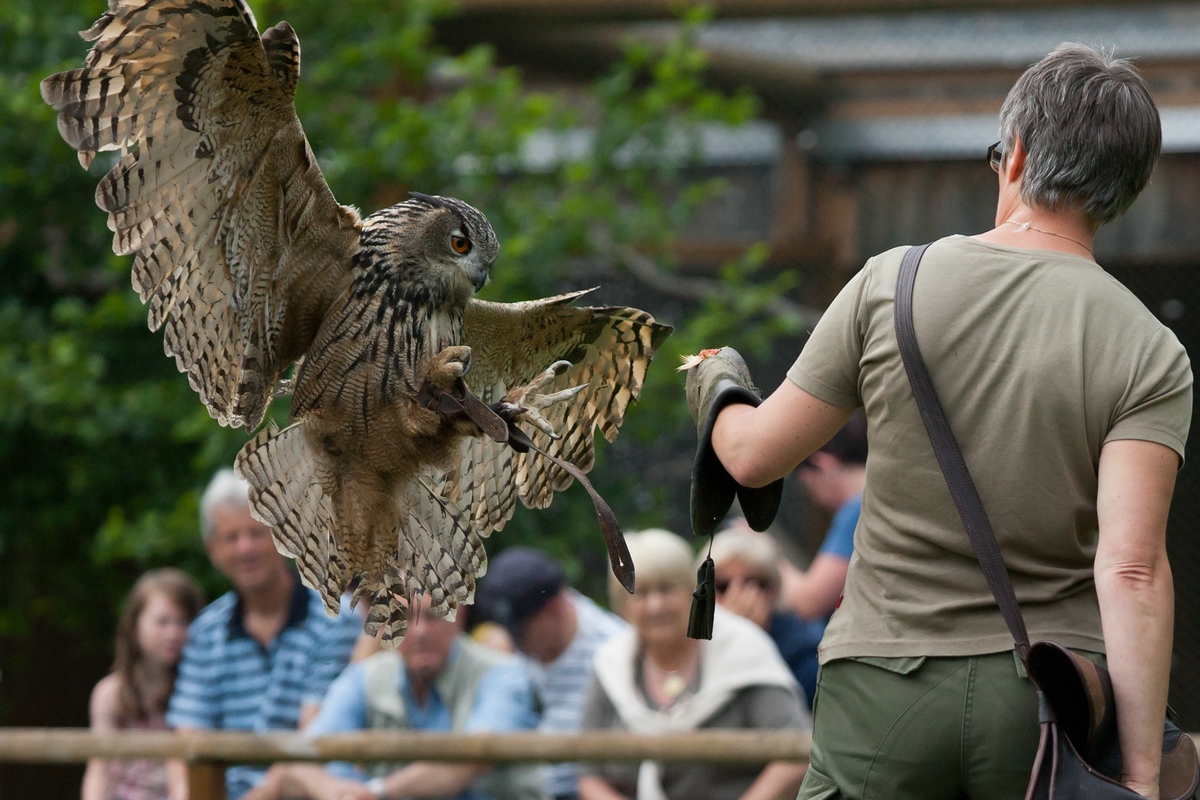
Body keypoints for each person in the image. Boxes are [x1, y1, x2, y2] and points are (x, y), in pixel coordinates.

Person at [685, 44, 1190, 800]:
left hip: (882, 693)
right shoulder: (1150, 348)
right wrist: (1142, 773)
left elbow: (754, 458)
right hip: (1044, 705)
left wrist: (716, 383)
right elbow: (1131, 570)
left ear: (1015, 154)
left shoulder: (893, 281)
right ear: (1127, 190)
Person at [166, 469, 362, 800]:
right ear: (213, 549)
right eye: (231, 537)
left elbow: (312, 741)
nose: (246, 548)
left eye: (257, 533)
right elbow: (187, 740)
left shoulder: (335, 617)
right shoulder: (205, 632)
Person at [577, 529, 809, 800]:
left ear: (693, 590)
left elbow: (796, 754)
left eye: (666, 589)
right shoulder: (611, 664)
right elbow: (588, 773)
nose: (655, 606)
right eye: (640, 593)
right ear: (622, 603)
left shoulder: (742, 649)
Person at [271, 595, 546, 800]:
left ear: (459, 616)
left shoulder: (502, 674)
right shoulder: (365, 677)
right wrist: (333, 790)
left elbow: (471, 758)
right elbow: (302, 758)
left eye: (432, 616)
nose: (419, 631)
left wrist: (375, 792)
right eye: (404, 617)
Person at [473, 547, 627, 800]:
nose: (515, 639)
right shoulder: (512, 647)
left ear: (555, 609)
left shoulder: (613, 652)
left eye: (521, 629)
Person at [82, 568, 205, 800]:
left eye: (183, 622)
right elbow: (99, 768)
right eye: (163, 622)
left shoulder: (197, 692)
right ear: (133, 626)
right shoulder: (110, 693)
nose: (174, 632)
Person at [706, 525, 824, 707]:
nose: (739, 596)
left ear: (773, 590)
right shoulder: (691, 644)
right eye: (723, 586)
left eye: (755, 584)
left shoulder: (801, 650)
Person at [780, 410, 865, 621]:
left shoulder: (857, 510)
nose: (815, 501)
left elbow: (808, 602)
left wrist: (767, 554)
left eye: (810, 488)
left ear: (822, 465)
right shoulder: (887, 496)